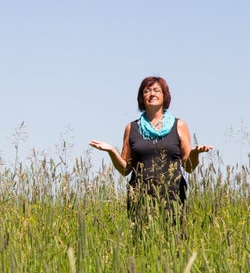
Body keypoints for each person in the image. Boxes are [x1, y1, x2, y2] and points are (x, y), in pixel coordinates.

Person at [89, 76, 213, 231]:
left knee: (174, 243)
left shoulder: (179, 125)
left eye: (156, 90)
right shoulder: (132, 128)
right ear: (142, 98)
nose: (152, 94)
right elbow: (125, 169)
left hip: (173, 197)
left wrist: (195, 153)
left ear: (164, 96)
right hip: (140, 198)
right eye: (146, 91)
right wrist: (111, 151)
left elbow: (188, 167)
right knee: (142, 244)